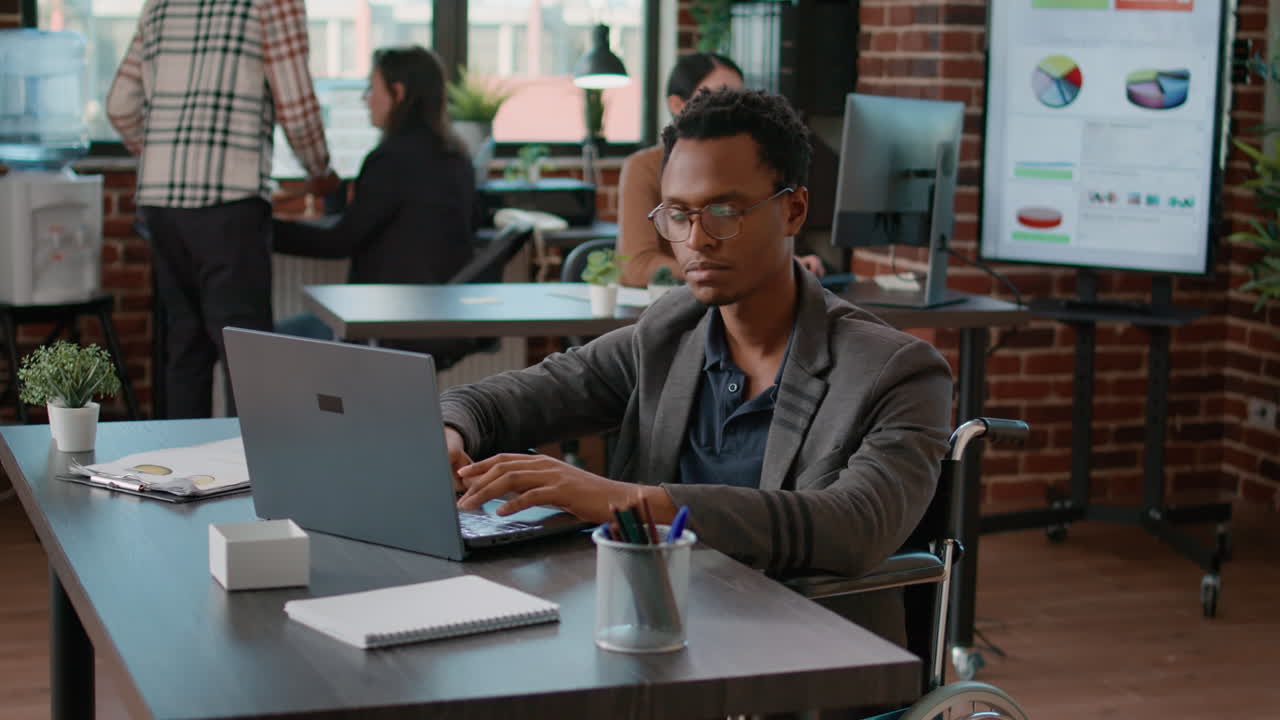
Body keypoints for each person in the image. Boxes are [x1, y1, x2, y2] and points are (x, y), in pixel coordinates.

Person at [441, 88, 952, 645]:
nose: (696, 240)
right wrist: (450, 429)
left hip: (802, 658)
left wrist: (618, 498)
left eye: (725, 211)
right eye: (678, 215)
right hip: (654, 636)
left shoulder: (897, 371)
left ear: (794, 210)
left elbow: (853, 526)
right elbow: (507, 398)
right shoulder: (670, 331)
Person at [106, 0, 338, 419]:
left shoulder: (160, 3)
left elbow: (119, 105)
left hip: (162, 203)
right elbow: (297, 108)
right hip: (229, 201)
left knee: (184, 349)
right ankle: (253, 477)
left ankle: (179, 477)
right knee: (247, 353)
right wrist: (321, 171)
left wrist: (163, 151)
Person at [271, 45, 477, 367]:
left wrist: (263, 228)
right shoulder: (457, 158)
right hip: (433, 321)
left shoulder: (391, 159)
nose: (365, 98)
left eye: (371, 88)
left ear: (398, 92)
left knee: (261, 345)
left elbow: (339, 241)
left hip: (383, 323)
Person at [617, 53, 825, 288]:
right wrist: (716, 270)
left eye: (737, 100)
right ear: (677, 105)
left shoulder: (753, 165)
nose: (728, 112)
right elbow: (636, 267)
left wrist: (782, 264)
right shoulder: (644, 167)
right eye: (712, 98)